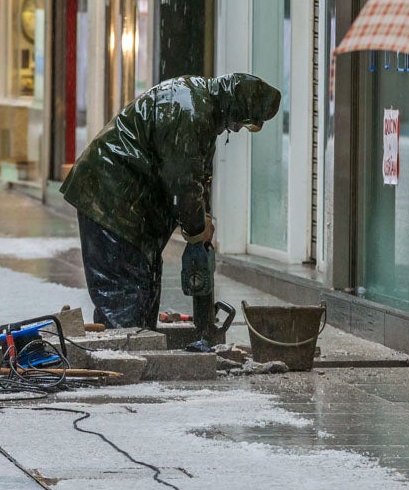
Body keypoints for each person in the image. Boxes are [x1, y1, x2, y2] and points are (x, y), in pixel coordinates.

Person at [60, 73, 281, 330]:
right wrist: (198, 229)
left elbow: (194, 177)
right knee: (125, 296)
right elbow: (183, 183)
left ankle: (138, 349)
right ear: (237, 107)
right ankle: (124, 358)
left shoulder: (199, 105)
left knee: (143, 288)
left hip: (126, 202)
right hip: (111, 199)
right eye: (243, 122)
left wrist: (201, 219)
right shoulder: (193, 111)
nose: (238, 129)